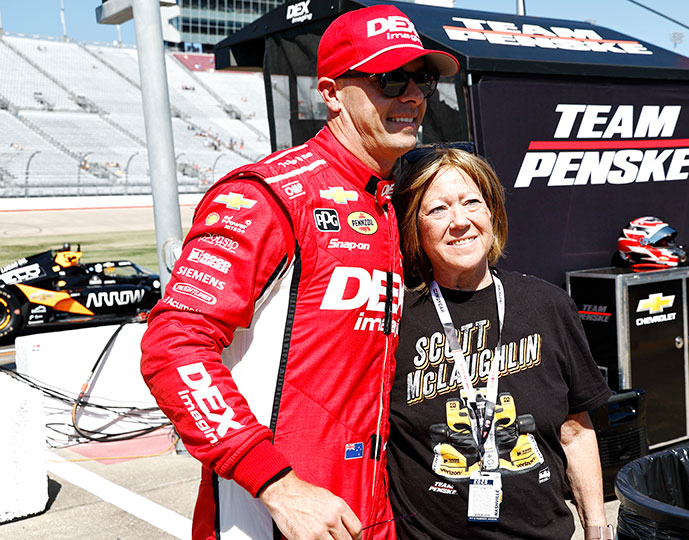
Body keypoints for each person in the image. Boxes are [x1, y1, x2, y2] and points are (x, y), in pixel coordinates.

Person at [139, 6, 459, 540]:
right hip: (278, 516)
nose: (412, 95)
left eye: (422, 78)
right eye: (390, 78)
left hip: (371, 511)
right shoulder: (267, 196)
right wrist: (279, 486)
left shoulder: (393, 202)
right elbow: (174, 346)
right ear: (331, 93)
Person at [388, 146, 614, 540]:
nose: (460, 221)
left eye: (472, 202)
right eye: (438, 209)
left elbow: (575, 431)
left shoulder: (547, 305)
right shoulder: (394, 318)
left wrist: (597, 527)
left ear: (492, 212)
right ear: (414, 226)